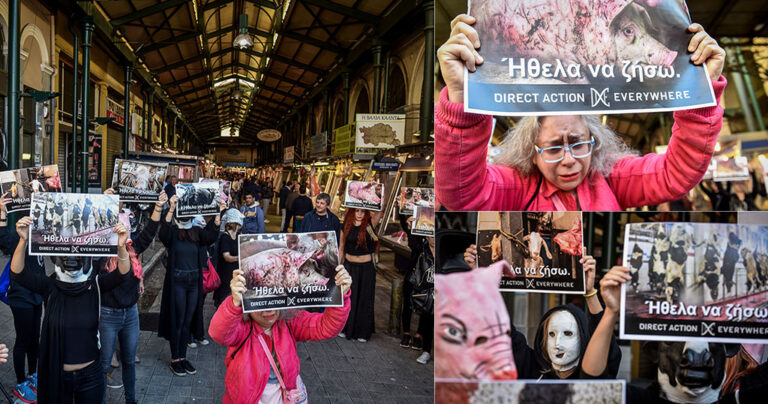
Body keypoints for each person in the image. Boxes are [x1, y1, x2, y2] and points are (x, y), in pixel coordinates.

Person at [436, 16, 727, 210]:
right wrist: (463, 98)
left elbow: (675, 174)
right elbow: (460, 194)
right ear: (532, 152)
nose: (569, 160)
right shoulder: (516, 185)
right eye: (552, 149)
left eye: (577, 142)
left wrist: (700, 94)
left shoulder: (612, 177)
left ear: (594, 141)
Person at [10, 216, 132, 403]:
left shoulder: (96, 285)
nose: (72, 257)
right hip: (56, 376)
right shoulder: (49, 286)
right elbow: (17, 274)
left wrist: (121, 246)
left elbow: (123, 274)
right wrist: (23, 240)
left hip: (91, 377)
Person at [464, 246, 620, 379]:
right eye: (551, 334)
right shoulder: (529, 368)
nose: (557, 344)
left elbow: (607, 348)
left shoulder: (594, 376)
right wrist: (482, 280)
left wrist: (590, 292)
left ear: (584, 337)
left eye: (568, 333)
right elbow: (500, 330)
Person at [209, 265, 352, 404]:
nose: (268, 311)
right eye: (259, 303)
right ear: (247, 304)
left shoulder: (289, 322)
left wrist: (341, 294)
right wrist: (234, 304)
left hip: (283, 395)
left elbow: (325, 327)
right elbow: (218, 333)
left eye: (273, 301)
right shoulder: (241, 329)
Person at [98, 190, 166, 404]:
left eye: (126, 230)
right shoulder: (99, 254)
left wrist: (158, 207)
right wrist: (103, 201)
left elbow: (149, 232)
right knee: (103, 364)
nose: (124, 235)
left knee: (128, 361)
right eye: (119, 231)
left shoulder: (133, 248)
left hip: (130, 315)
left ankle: (131, 400)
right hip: (107, 315)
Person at [158, 195, 222, 376]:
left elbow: (210, 236)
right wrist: (170, 208)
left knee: (187, 321)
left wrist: (218, 215)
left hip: (194, 283)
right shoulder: (172, 233)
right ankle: (175, 359)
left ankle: (183, 357)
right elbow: (162, 233)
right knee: (178, 321)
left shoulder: (196, 231)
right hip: (177, 282)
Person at [0, 193, 42, 403]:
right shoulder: (19, 235)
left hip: (36, 296)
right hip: (21, 296)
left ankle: (33, 376)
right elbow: (1, 237)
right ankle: (20, 383)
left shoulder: (44, 234)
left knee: (35, 338)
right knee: (23, 340)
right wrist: (1, 212)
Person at [339, 208, 380, 342]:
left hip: (366, 269)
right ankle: (346, 328)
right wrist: (338, 266)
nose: (360, 214)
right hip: (350, 267)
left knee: (364, 299)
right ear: (352, 212)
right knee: (349, 298)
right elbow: (341, 247)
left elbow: (381, 209)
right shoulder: (345, 226)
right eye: (357, 211)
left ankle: (362, 332)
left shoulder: (370, 224)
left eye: (363, 211)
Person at [212, 209, 243, 307]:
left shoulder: (238, 235)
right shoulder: (225, 237)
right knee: (224, 297)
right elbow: (227, 257)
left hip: (236, 272)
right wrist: (240, 258)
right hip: (225, 273)